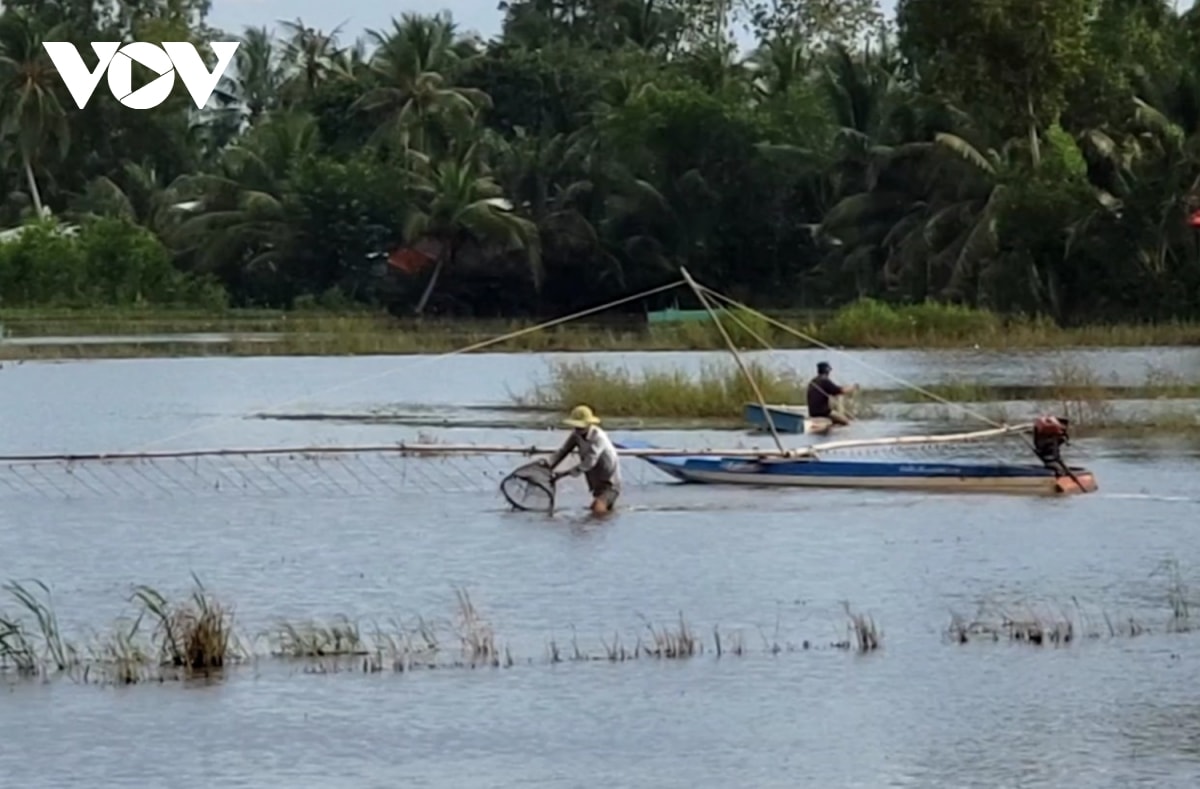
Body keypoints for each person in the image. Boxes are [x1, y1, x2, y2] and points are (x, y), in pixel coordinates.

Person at [542, 404, 622, 514]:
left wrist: (564, 474)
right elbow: (563, 451)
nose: (578, 429)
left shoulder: (598, 437)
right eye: (576, 426)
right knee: (602, 513)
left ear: (589, 424)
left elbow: (590, 462)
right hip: (595, 481)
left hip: (610, 482)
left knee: (598, 509)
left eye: (581, 427)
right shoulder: (576, 435)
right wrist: (548, 464)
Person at [807, 361, 858, 426]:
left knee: (836, 419)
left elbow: (833, 392)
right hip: (823, 412)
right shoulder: (824, 380)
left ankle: (831, 429)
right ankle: (834, 434)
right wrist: (853, 387)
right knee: (845, 421)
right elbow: (839, 391)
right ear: (827, 371)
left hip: (812, 413)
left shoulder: (813, 381)